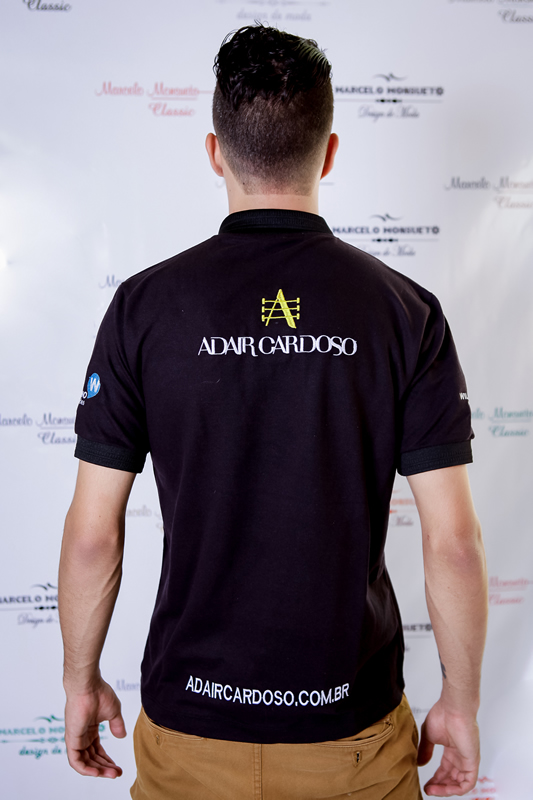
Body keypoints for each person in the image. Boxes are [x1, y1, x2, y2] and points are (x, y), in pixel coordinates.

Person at [58, 24, 488, 800]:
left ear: (214, 151)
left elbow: (94, 535)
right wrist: (459, 702)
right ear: (327, 154)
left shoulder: (143, 308)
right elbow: (452, 543)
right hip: (350, 743)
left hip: (191, 735)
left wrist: (79, 681)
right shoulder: (404, 312)